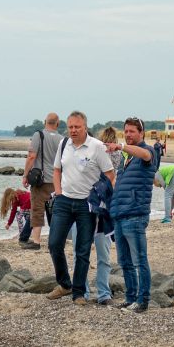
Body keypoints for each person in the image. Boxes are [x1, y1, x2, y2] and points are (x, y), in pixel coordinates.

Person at [46, 111, 116, 305]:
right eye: (70, 127)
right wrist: (58, 192)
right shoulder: (63, 144)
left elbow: (110, 174)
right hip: (64, 201)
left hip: (87, 204)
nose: (73, 130)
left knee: (82, 249)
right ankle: (64, 283)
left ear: (85, 127)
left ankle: (78, 293)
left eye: (77, 127)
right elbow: (57, 170)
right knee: (54, 243)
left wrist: (99, 195)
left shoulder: (97, 147)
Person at [107, 117, 158, 313]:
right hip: (120, 214)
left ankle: (143, 300)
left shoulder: (148, 151)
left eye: (132, 131)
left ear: (141, 133)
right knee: (125, 262)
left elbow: (145, 154)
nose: (128, 134)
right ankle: (130, 298)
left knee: (139, 260)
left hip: (135, 214)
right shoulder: (126, 158)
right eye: (126, 131)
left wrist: (120, 146)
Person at [67, 126, 121, 306]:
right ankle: (85, 291)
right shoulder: (77, 160)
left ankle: (102, 292)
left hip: (102, 213)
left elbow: (112, 178)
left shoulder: (107, 156)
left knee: (99, 255)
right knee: (83, 254)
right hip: (83, 210)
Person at [22, 112, 62, 250]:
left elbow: (32, 156)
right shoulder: (62, 139)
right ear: (58, 123)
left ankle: (37, 241)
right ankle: (55, 241)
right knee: (56, 212)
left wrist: (25, 175)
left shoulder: (38, 135)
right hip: (57, 181)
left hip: (40, 180)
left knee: (37, 210)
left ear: (45, 122)